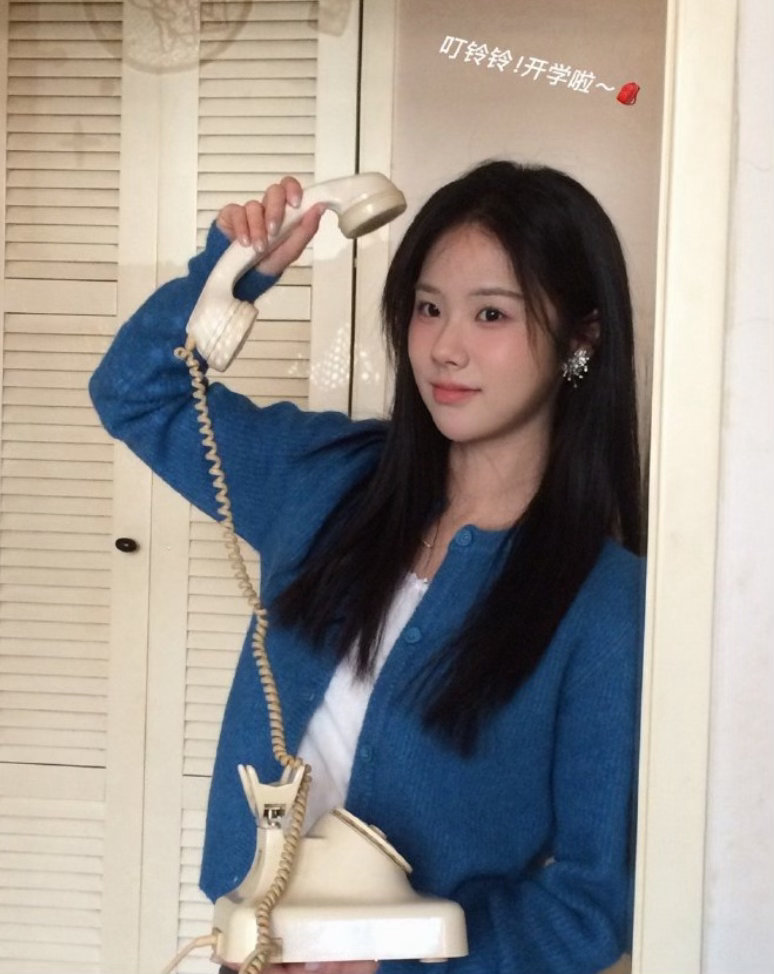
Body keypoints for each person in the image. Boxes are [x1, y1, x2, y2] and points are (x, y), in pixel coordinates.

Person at [90, 160, 645, 974]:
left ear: (581, 338)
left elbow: (593, 904)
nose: (445, 348)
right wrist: (233, 273)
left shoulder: (606, 604)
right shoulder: (326, 479)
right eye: (428, 308)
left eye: (491, 313)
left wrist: (395, 965)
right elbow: (135, 391)